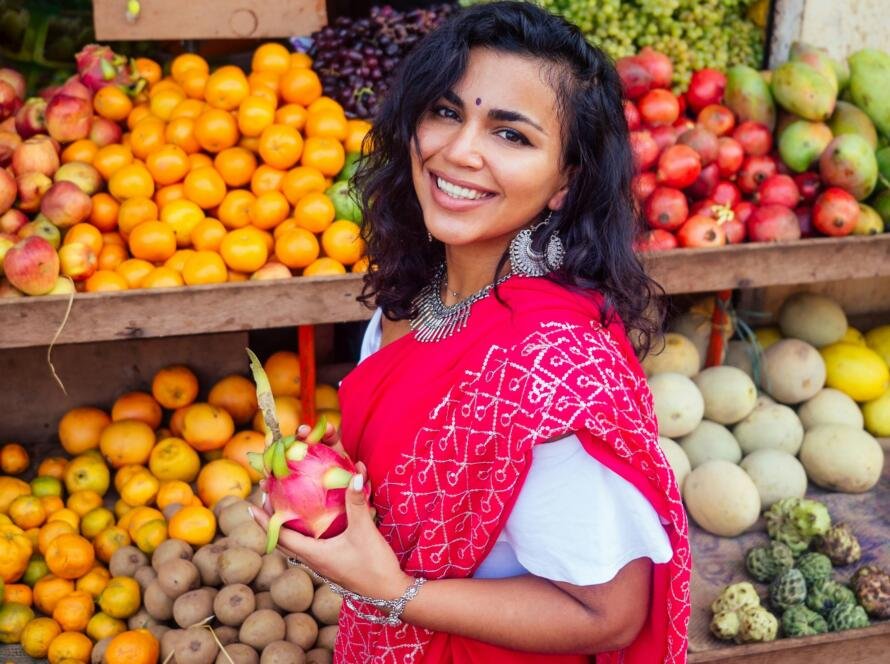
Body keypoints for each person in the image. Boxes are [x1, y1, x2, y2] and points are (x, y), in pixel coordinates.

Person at [252, 2, 691, 662]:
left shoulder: (552, 370)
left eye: (511, 135)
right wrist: (338, 485)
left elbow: (609, 615)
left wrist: (393, 590)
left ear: (565, 183)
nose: (458, 152)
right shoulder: (419, 291)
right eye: (447, 112)